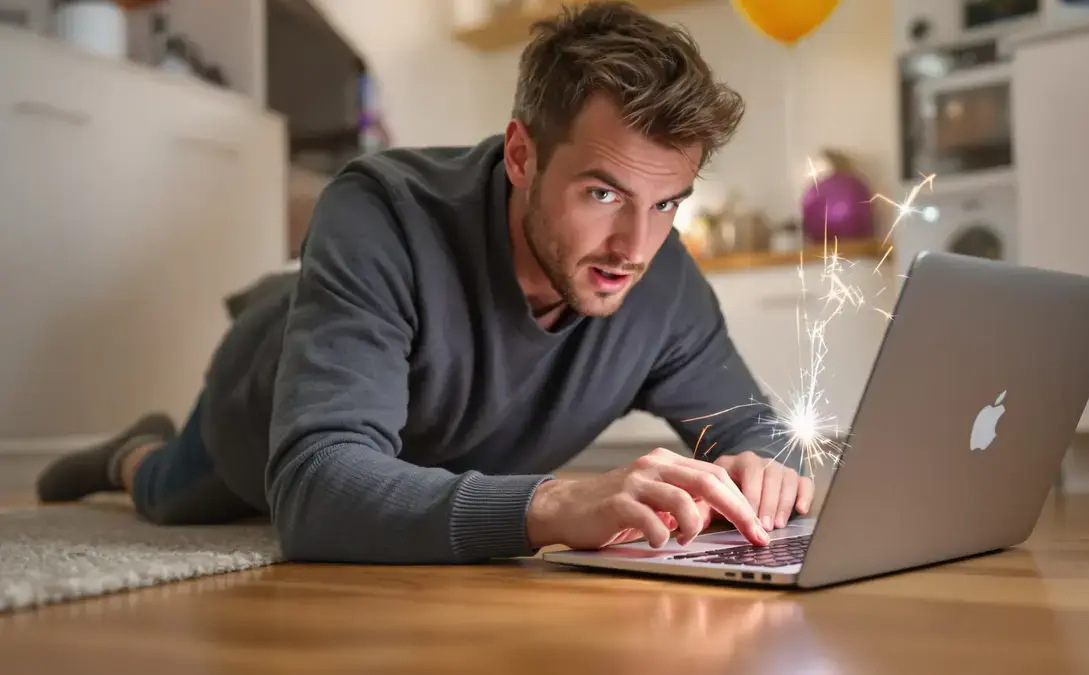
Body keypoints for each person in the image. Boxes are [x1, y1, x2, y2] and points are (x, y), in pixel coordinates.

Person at [35, 0, 814, 565]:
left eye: (667, 203)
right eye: (602, 194)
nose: (635, 245)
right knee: (176, 494)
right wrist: (550, 502)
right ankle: (128, 452)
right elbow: (314, 489)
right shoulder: (380, 211)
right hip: (267, 397)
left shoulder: (664, 280)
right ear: (521, 156)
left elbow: (762, 437)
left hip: (431, 438)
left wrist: (765, 474)